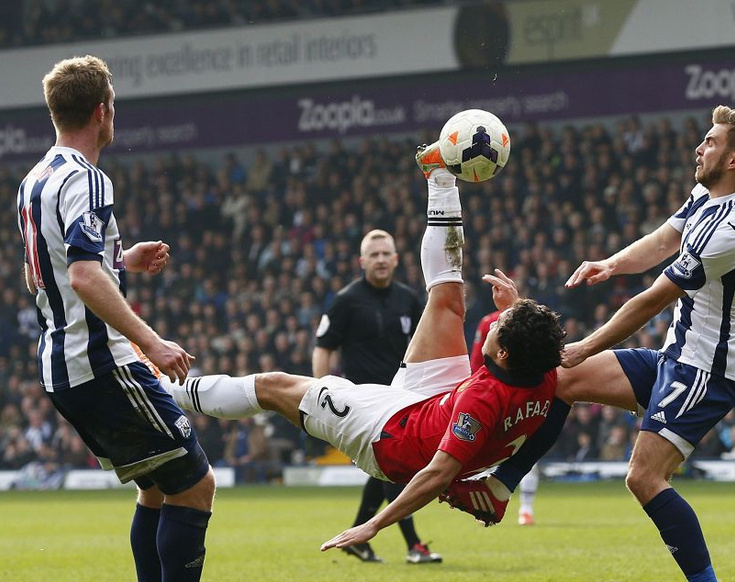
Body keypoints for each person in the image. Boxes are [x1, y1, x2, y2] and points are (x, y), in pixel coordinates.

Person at [443, 105, 735, 582]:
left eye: (711, 142)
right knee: (564, 382)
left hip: (705, 372)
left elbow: (653, 300)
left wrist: (586, 345)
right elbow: (664, 239)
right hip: (676, 357)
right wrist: (611, 263)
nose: (700, 148)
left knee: (643, 477)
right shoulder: (708, 200)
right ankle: (504, 486)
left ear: (734, 158)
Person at [160, 145, 565, 551]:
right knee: (448, 298)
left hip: (388, 436)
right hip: (436, 400)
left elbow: (437, 474)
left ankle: (162, 389)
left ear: (505, 354)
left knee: (272, 386)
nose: (495, 318)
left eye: (502, 324)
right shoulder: (547, 371)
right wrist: (516, 310)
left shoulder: (482, 398)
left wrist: (372, 526)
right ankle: (441, 179)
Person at [16, 56, 243, 582]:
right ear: (102, 111)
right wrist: (156, 341)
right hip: (104, 363)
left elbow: (52, 271)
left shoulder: (34, 180)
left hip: (60, 366)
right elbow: (83, 275)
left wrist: (125, 261)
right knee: (196, 484)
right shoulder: (90, 179)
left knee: (156, 489)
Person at [313, 229, 442, 564]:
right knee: (394, 468)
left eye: (387, 254)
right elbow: (323, 347)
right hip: (363, 403)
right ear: (361, 261)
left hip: (402, 397)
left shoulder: (408, 299)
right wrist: (320, 395)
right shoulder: (346, 300)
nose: (381, 260)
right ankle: (414, 545)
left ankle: (358, 536)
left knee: (383, 469)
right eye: (374, 255)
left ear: (397, 259)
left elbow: (427, 340)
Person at [471, 306, 540, 526]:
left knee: (520, 452)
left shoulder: (528, 322)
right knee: (507, 453)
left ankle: (524, 509)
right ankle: (489, 505)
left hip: (518, 396)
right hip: (500, 398)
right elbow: (477, 360)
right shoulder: (487, 322)